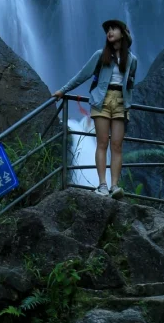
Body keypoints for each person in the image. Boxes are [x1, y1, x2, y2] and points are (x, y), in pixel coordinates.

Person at [53, 19, 138, 197]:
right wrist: (63, 90)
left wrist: (127, 103)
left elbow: (130, 84)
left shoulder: (132, 60)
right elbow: (82, 75)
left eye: (114, 28)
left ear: (123, 33)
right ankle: (102, 185)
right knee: (102, 143)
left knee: (117, 145)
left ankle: (115, 186)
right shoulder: (101, 55)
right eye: (108, 29)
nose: (110, 31)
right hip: (102, 101)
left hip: (121, 103)